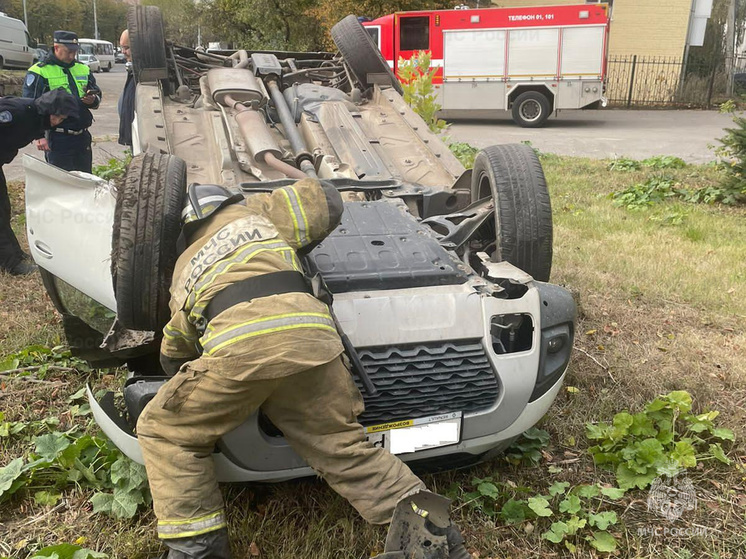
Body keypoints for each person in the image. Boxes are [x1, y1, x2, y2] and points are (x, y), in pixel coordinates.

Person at [137, 179, 469, 559]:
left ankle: (198, 550)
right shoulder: (261, 217)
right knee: (344, 447)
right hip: (314, 341)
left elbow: (175, 347)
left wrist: (183, 382)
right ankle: (434, 542)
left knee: (164, 429)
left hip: (240, 349)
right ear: (229, 202)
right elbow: (325, 199)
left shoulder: (186, 262)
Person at [0, 90, 78, 275]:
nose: (59, 121)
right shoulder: (16, 113)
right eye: (58, 116)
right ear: (48, 110)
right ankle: (11, 264)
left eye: (63, 118)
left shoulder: (35, 118)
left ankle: (15, 254)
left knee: (4, 208)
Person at [23, 30, 102, 173]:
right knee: (62, 182)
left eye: (75, 51)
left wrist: (92, 100)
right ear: (56, 47)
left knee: (86, 181)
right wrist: (39, 136)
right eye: (68, 51)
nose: (72, 55)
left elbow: (96, 93)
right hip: (58, 137)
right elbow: (30, 105)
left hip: (82, 136)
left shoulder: (83, 68)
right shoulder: (39, 71)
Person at [117, 29, 135, 148]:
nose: (123, 52)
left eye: (127, 47)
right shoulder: (134, 71)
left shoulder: (145, 75)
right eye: (122, 47)